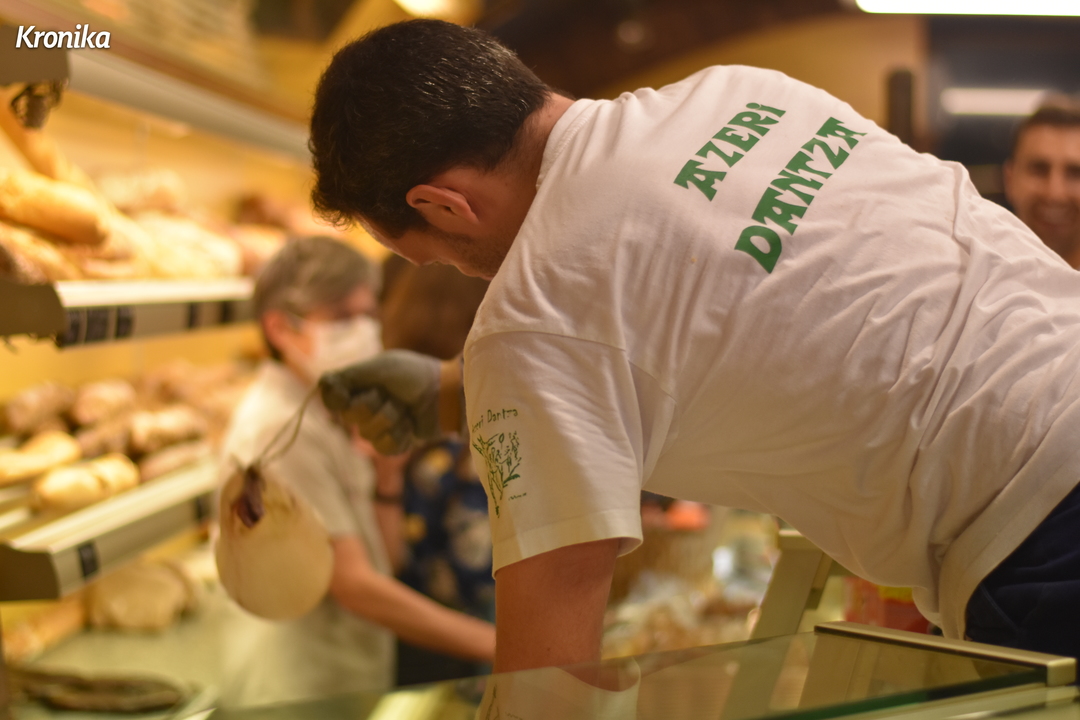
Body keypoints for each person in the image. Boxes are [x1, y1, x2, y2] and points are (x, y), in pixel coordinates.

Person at [308, 20, 1080, 674]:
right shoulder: (741, 92)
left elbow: (547, 682)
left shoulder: (530, 318)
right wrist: (460, 391)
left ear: (443, 204)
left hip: (1041, 533)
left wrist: (496, 377)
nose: (460, 275)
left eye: (433, 257)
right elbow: (730, 311)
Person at [217, 236, 494, 706]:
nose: (362, 331)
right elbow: (353, 584)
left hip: (347, 675)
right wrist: (498, 645)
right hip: (295, 688)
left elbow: (386, 560)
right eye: (341, 317)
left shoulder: (327, 408)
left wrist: (387, 478)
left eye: (368, 314)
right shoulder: (277, 428)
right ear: (280, 327)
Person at [1003, 100, 1080, 268]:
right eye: (1039, 170)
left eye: (1075, 173)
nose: (1055, 194)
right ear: (1010, 180)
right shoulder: (970, 279)